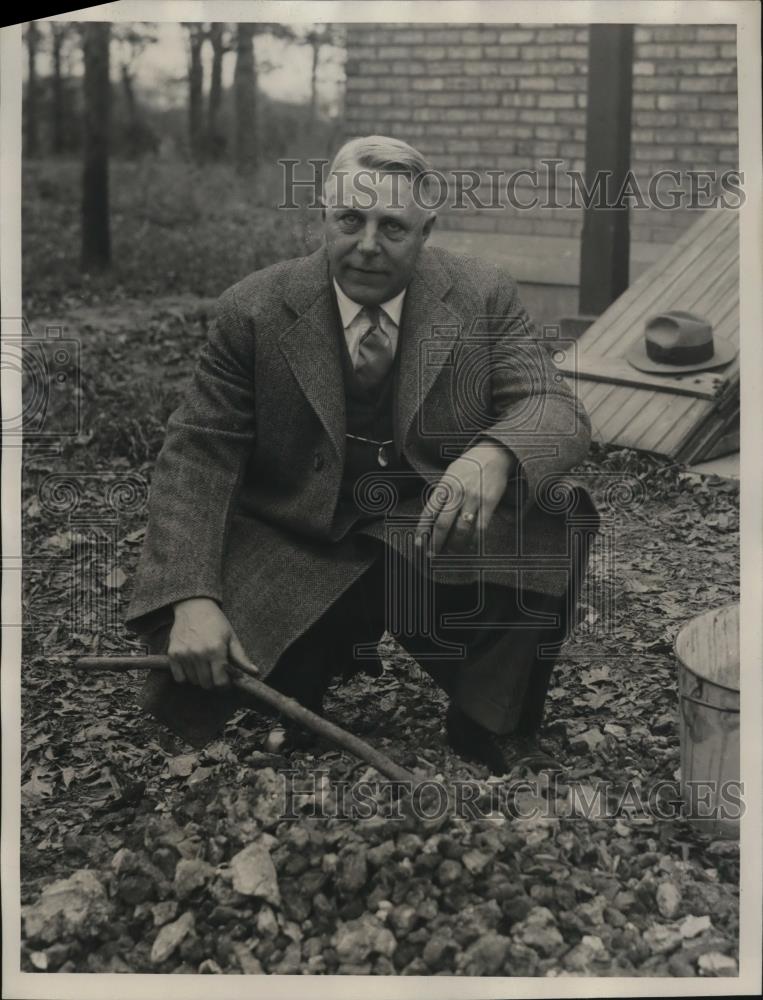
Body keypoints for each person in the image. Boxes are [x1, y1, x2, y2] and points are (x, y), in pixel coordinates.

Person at [126, 135, 598, 773]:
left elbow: (554, 405)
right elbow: (197, 455)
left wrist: (493, 454)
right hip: (296, 541)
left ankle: (487, 717)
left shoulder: (481, 294)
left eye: (392, 226)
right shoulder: (254, 309)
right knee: (199, 652)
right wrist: (190, 597)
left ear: (426, 231)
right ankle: (299, 691)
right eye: (350, 220)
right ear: (323, 217)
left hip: (425, 532)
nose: (368, 244)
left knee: (558, 512)